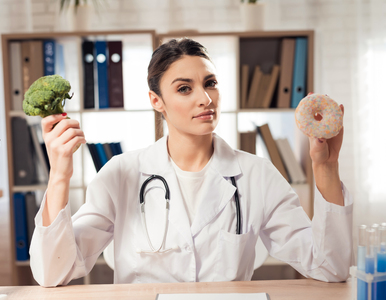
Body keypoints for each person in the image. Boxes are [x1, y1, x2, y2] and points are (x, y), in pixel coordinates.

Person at [29, 38, 353, 286]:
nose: (206, 99)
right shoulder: (120, 174)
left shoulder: (257, 175)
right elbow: (53, 272)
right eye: (185, 88)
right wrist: (59, 174)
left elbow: (330, 267)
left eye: (210, 83)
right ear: (157, 101)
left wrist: (326, 167)